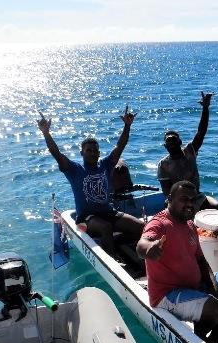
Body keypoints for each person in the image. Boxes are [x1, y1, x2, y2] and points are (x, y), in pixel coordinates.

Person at [137, 181, 218, 343]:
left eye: (192, 200)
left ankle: (217, 336)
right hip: (167, 294)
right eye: (184, 199)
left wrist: (213, 288)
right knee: (214, 307)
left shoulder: (190, 225)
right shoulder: (159, 223)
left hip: (193, 285)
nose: (189, 204)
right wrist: (150, 248)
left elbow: (201, 260)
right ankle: (201, 340)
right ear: (169, 199)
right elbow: (143, 244)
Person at [37, 106, 144, 258]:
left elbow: (120, 146)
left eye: (95, 151)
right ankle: (113, 260)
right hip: (86, 219)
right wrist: (46, 133)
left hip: (109, 212)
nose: (93, 153)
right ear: (82, 153)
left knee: (141, 227)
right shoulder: (74, 170)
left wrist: (127, 126)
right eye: (89, 150)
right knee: (105, 227)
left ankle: (117, 243)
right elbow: (57, 154)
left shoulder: (106, 165)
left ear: (99, 153)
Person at [157, 92, 218, 210]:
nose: (171, 143)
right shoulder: (163, 164)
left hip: (196, 196)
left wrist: (205, 108)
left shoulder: (190, 151)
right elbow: (167, 191)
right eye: (168, 141)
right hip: (177, 199)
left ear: (180, 142)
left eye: (174, 140)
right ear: (165, 146)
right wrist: (183, 201)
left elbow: (201, 131)